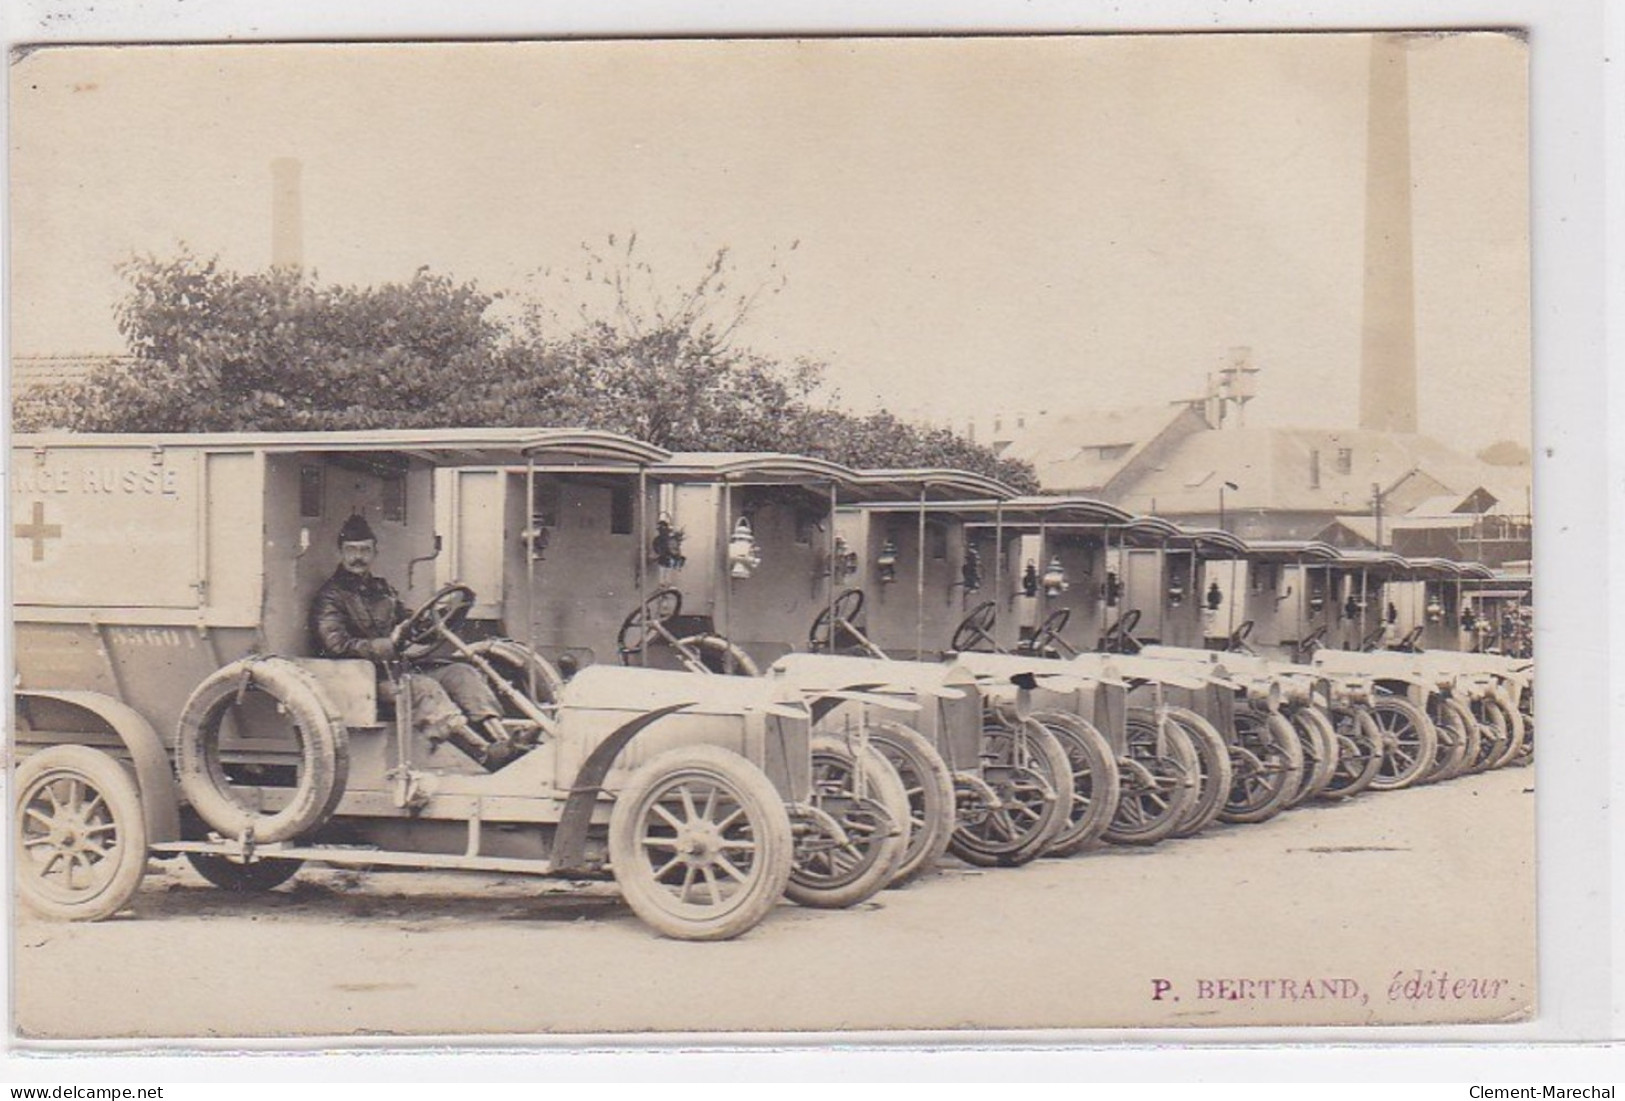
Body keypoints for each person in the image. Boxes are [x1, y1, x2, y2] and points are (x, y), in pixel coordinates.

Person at [310, 512, 520, 769]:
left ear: (374, 553)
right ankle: (483, 754)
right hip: (365, 681)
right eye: (351, 550)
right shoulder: (330, 596)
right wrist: (390, 644)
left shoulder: (382, 590)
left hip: (397, 670)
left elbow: (413, 624)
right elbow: (337, 646)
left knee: (462, 673)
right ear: (340, 553)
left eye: (365, 550)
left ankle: (504, 743)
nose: (358, 557)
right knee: (423, 689)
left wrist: (446, 611)